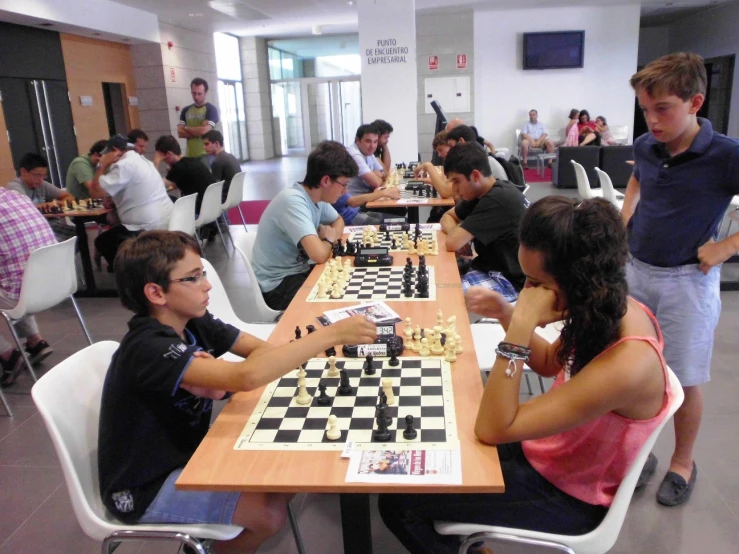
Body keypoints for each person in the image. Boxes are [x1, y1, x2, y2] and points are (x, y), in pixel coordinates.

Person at [379, 196, 674, 553]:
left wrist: (521, 324)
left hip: (568, 495)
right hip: (548, 452)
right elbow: (551, 361)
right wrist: (507, 314)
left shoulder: (628, 362)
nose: (527, 292)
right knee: (446, 434)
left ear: (577, 282)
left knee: (398, 502)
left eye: (536, 282)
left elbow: (493, 428)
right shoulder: (604, 303)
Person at [98, 230, 376, 554]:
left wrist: (223, 377)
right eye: (193, 278)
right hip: (143, 486)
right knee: (269, 515)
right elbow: (246, 376)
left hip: (187, 459)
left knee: (288, 475)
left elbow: (261, 352)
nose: (208, 284)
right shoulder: (147, 347)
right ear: (156, 293)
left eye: (203, 273)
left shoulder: (192, 321)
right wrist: (329, 335)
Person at [623, 52, 739, 506]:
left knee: (684, 378)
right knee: (637, 374)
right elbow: (637, 182)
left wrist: (726, 247)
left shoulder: (726, 155)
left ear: (695, 102)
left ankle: (682, 462)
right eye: (646, 110)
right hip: (637, 273)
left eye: (663, 109)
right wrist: (625, 212)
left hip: (687, 282)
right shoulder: (646, 145)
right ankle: (641, 454)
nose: (652, 120)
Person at [252, 141, 355, 310]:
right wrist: (329, 238)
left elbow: (339, 220)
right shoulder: (293, 202)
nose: (345, 191)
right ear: (326, 180)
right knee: (336, 303)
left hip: (299, 270)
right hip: (277, 284)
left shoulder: (315, 197)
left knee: (346, 283)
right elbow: (320, 255)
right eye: (344, 185)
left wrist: (329, 237)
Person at [440, 143, 527, 300]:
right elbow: (447, 217)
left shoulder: (497, 199)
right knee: (438, 282)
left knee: (445, 296)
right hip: (489, 268)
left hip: (509, 281)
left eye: (456, 181)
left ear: (475, 176)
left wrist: (459, 238)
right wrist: (459, 236)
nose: (454, 189)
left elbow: (452, 243)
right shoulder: (482, 192)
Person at [87, 135, 173, 270]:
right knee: (113, 233)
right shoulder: (144, 161)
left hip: (145, 225)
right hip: (166, 219)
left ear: (114, 150)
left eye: (106, 154)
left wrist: (102, 165)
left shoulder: (123, 165)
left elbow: (95, 192)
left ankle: (131, 277)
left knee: (102, 242)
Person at [0, 188, 57, 386]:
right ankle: (35, 341)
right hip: (56, 284)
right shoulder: (17, 196)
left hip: (23, 294)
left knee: (13, 278)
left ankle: (7, 354)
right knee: (15, 273)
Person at [7, 153, 75, 242]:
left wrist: (58, 203)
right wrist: (50, 205)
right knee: (58, 241)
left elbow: (69, 197)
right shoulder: (14, 186)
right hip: (29, 229)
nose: (41, 179)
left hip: (47, 224)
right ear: (23, 172)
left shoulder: (41, 184)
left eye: (43, 176)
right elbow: (26, 208)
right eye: (37, 175)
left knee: (77, 234)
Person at [154, 135, 215, 214]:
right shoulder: (193, 160)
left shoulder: (178, 168)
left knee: (165, 202)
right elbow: (177, 184)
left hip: (198, 211)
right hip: (212, 206)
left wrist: (156, 162)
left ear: (169, 154)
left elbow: (155, 184)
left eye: (163, 159)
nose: (164, 162)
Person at [177, 77, 220, 160]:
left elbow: (203, 131)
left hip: (206, 155)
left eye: (199, 94)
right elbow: (180, 133)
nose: (196, 97)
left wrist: (186, 128)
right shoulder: (186, 110)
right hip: (190, 155)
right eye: (194, 93)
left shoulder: (211, 109)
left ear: (205, 93)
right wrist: (198, 131)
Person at [346, 123, 385, 196]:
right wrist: (376, 175)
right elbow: (376, 183)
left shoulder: (367, 152)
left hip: (368, 196)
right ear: (357, 140)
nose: (372, 146)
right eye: (368, 141)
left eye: (375, 142)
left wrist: (377, 175)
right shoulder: (353, 154)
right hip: (355, 202)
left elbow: (384, 172)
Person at [203, 129, 242, 202]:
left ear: (217, 144)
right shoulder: (231, 156)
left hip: (224, 198)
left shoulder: (217, 161)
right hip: (237, 195)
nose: (204, 147)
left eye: (207, 144)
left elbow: (214, 188)